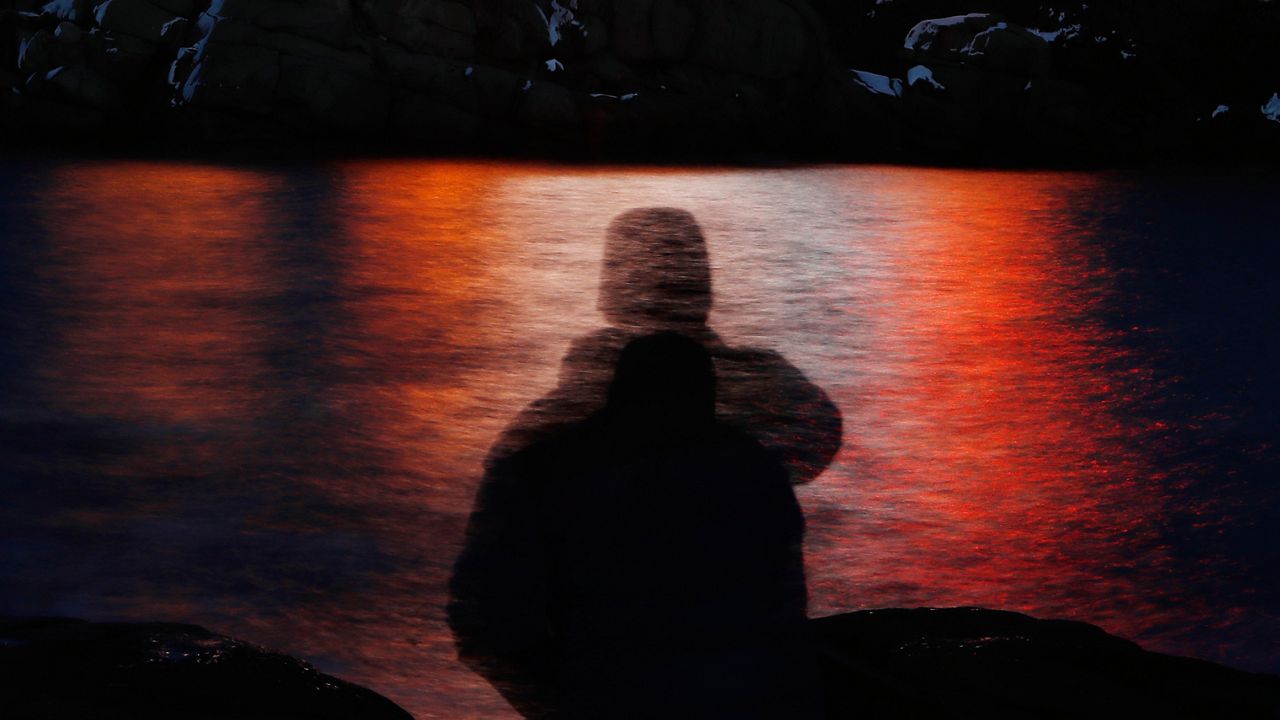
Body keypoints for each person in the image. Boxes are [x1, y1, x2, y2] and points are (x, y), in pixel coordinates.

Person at [449, 332, 823, 719]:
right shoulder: (754, 471)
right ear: (709, 394)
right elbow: (782, 605)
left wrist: (556, 702)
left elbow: (483, 620)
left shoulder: (536, 475)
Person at [487, 207, 842, 487]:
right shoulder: (762, 390)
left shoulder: (583, 393)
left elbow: (506, 469)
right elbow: (817, 439)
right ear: (703, 284)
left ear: (611, 289)